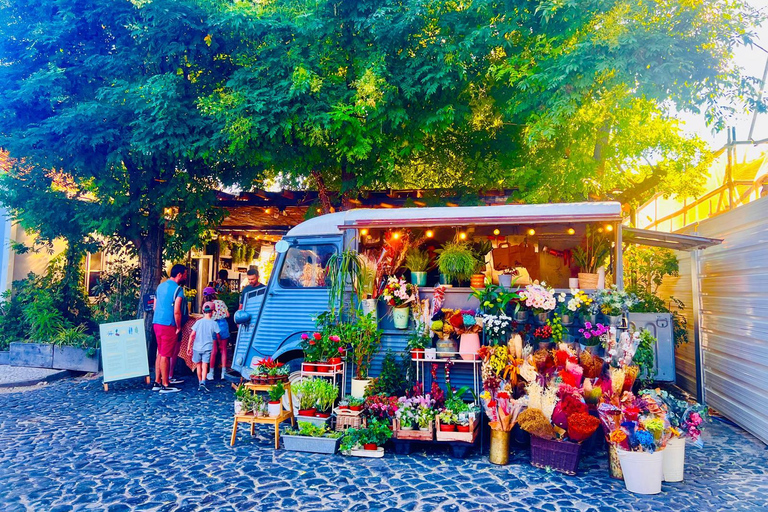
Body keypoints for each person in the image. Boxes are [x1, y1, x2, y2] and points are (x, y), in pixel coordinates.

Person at [151, 264, 187, 394]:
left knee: (160, 352)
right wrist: (178, 326)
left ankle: (157, 381)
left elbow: (155, 306)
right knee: (166, 354)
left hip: (157, 322)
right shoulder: (178, 290)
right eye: (185, 274)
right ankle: (165, 384)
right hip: (168, 324)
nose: (186, 277)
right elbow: (177, 311)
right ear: (179, 275)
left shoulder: (160, 286)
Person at [187, 302, 220, 393]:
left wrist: (189, 347)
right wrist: (218, 341)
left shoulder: (198, 322)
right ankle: (203, 383)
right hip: (207, 347)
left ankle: (199, 382)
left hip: (196, 347)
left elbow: (192, 335)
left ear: (203, 311)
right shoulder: (214, 323)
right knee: (205, 365)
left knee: (198, 365)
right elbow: (218, 335)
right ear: (212, 312)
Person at [202, 287, 230, 381]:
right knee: (224, 350)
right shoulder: (221, 302)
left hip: (212, 325)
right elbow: (228, 315)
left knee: (213, 350)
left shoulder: (206, 305)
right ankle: (223, 372)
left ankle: (211, 373)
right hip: (223, 325)